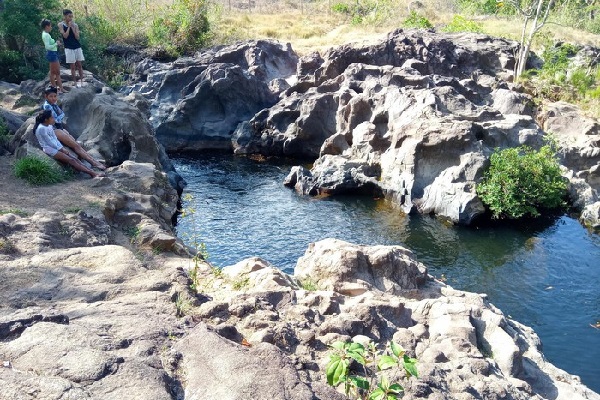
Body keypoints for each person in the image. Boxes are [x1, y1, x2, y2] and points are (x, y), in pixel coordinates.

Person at [42, 86, 106, 171]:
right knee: (75, 145)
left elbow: (60, 116)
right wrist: (59, 119)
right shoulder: (47, 106)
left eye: (55, 96)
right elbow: (56, 119)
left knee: (75, 143)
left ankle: (91, 161)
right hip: (52, 129)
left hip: (57, 128)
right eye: (51, 96)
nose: (53, 98)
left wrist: (59, 119)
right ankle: (93, 163)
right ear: (46, 97)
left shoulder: (53, 105)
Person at [34, 110, 104, 178]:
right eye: (52, 117)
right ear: (46, 119)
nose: (54, 119)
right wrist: (61, 149)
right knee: (72, 160)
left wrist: (62, 148)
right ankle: (92, 173)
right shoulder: (41, 129)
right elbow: (49, 142)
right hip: (49, 149)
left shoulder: (49, 126)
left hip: (56, 147)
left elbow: (54, 139)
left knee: (75, 159)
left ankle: (91, 171)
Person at [59, 9, 85, 88]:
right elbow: (65, 36)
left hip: (77, 46)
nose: (71, 18)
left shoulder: (75, 25)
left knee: (79, 65)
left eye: (71, 16)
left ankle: (81, 81)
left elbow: (77, 37)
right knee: (72, 66)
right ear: (65, 16)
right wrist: (69, 27)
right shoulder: (61, 25)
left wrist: (73, 28)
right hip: (68, 48)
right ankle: (75, 82)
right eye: (69, 16)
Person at [40, 19, 64, 93]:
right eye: (50, 25)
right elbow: (47, 46)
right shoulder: (46, 35)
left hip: (52, 53)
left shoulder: (45, 34)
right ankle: (59, 89)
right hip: (52, 54)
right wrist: (56, 44)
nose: (51, 27)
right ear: (47, 26)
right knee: (57, 72)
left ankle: (56, 88)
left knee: (53, 72)